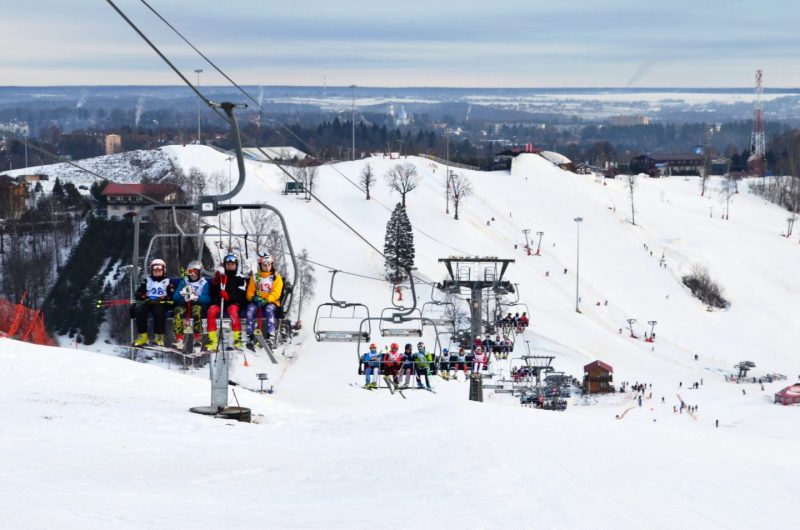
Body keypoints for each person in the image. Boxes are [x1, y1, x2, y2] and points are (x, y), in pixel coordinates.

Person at [206, 253, 248, 350]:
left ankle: (237, 339)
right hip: (220, 302)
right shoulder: (221, 277)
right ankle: (212, 340)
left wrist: (229, 296)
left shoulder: (240, 279)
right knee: (211, 310)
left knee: (233, 311)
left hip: (233, 303)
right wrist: (215, 283)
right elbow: (212, 294)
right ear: (225, 265)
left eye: (232, 264)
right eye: (228, 265)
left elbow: (241, 294)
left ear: (236, 265)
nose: (230, 266)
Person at [133, 258, 176, 346]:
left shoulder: (167, 282)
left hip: (161, 303)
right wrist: (143, 296)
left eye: (159, 268)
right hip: (149, 302)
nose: (157, 270)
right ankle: (143, 336)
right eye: (155, 268)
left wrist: (164, 298)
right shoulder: (147, 281)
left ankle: (159, 337)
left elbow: (172, 296)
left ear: (164, 270)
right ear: (151, 270)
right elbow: (138, 293)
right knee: (140, 310)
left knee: (158, 311)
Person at [245, 252, 284, 349]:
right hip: (257, 301)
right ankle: (250, 335)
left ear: (271, 265)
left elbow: (276, 292)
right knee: (250, 310)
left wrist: (266, 300)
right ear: (260, 265)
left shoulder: (276, 277)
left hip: (271, 302)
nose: (266, 267)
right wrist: (253, 298)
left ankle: (270, 335)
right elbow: (249, 292)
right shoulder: (256, 277)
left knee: (269, 310)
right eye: (264, 265)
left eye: (268, 265)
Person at [172, 260, 210, 350]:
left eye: (195, 272)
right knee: (178, 311)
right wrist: (182, 293)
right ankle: (179, 339)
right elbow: (175, 297)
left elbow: (207, 298)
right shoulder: (183, 282)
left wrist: (197, 297)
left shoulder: (203, 283)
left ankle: (197, 337)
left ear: (200, 273)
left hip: (197, 304)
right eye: (190, 271)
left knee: (196, 311)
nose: (192, 274)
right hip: (185, 304)